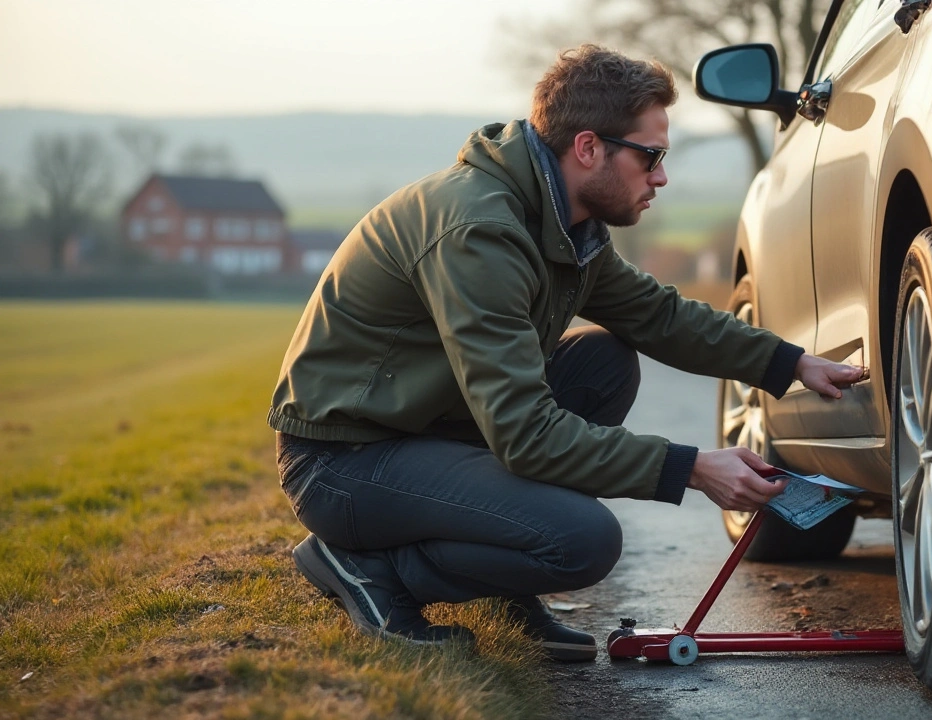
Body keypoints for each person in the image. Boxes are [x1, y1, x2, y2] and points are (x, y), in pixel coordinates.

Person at [268, 44, 868, 661]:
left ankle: (504, 581)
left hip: (423, 430)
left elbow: (658, 316)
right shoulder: (483, 232)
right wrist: (691, 467)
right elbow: (525, 434)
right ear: (588, 148)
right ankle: (372, 572)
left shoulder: (561, 220)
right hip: (345, 460)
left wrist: (790, 363)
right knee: (582, 541)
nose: (661, 177)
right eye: (651, 156)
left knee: (604, 362)